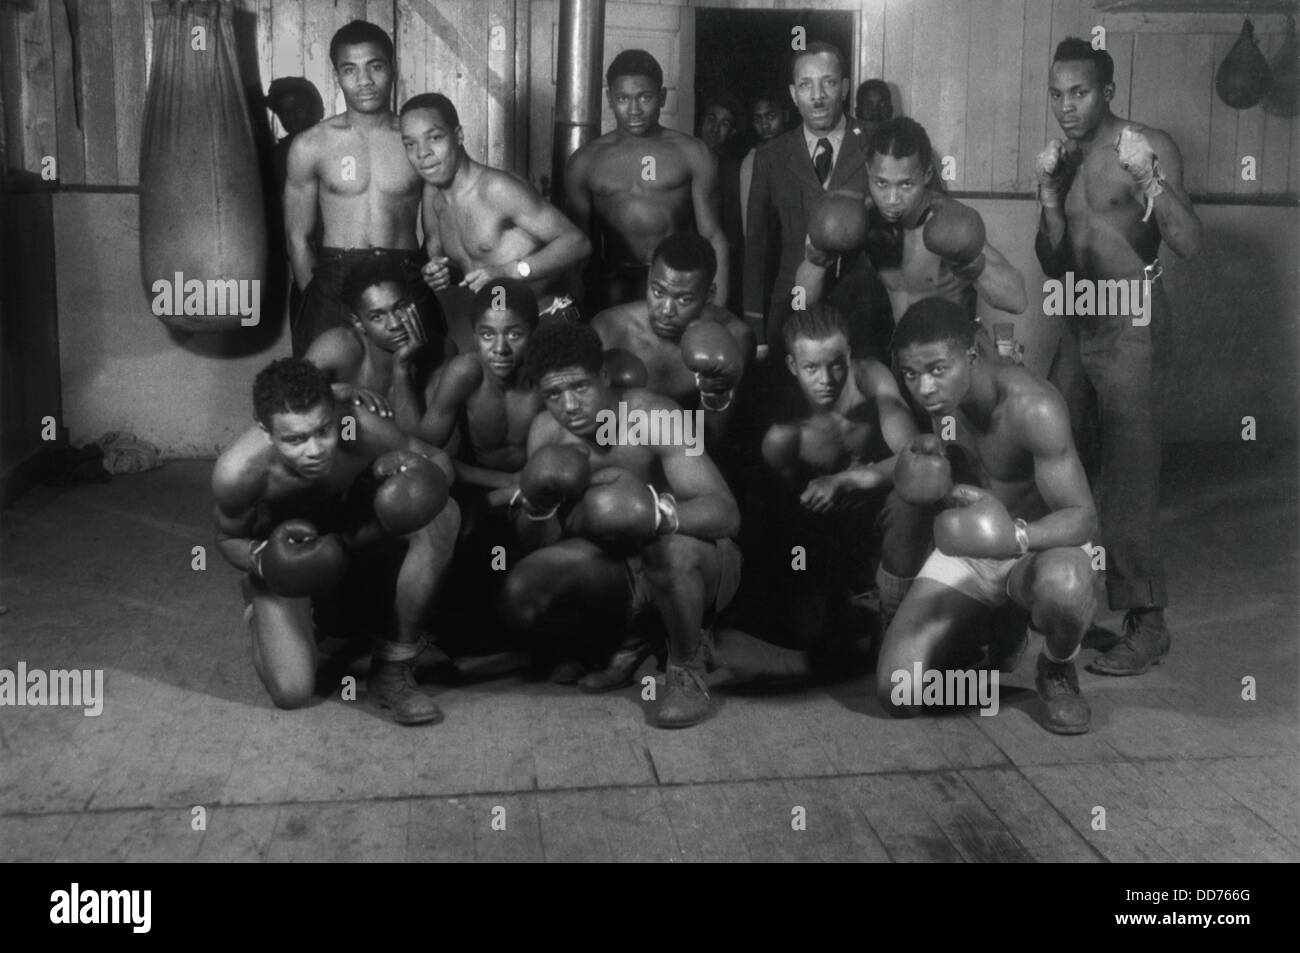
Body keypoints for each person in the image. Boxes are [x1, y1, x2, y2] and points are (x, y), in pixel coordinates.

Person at [1035, 39, 1201, 676]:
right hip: (1080, 320)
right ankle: (1057, 598)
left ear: (1107, 90)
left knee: (1129, 474)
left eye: (1078, 93)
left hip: (1133, 321)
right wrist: (1049, 197)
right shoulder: (1065, 159)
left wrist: (1150, 180)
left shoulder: (1146, 143)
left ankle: (1147, 624)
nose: (1066, 106)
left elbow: (1189, 242)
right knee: (1053, 443)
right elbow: (1054, 261)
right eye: (1056, 94)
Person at [499, 322, 742, 727]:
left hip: (698, 560)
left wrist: (655, 513)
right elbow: (537, 545)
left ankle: (686, 671)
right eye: (554, 394)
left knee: (668, 549)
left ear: (604, 376)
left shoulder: (653, 416)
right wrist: (538, 507)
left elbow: (726, 514)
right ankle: (632, 639)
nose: (570, 406)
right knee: (524, 593)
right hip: (621, 572)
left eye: (579, 387)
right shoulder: (546, 433)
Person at [878, 299, 1099, 734]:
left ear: (971, 357)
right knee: (898, 694)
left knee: (1066, 586)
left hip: (1039, 548)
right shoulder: (941, 402)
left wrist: (1015, 537)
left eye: (937, 369)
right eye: (910, 374)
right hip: (973, 553)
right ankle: (997, 632)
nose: (923, 388)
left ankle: (1057, 668)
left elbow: (1083, 518)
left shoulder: (1033, 407)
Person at [212, 358, 460, 725]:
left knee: (443, 513)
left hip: (353, 536)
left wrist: (416, 480)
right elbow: (226, 540)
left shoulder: (358, 427)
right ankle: (260, 606)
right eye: (295, 439)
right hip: (289, 567)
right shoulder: (239, 473)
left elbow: (435, 458)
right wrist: (263, 559)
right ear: (266, 431)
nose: (315, 450)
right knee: (293, 692)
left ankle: (393, 667)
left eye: (323, 430)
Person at [757, 304, 932, 653]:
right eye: (811, 368)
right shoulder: (783, 434)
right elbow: (782, 520)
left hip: (879, 511)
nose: (826, 379)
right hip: (821, 533)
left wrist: (846, 480)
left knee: (912, 496)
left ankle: (892, 614)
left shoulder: (871, 379)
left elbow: (917, 458)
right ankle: (848, 599)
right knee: (811, 636)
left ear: (849, 356)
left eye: (836, 364)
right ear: (793, 366)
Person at [794, 117, 1027, 360]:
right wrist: (816, 258)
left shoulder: (949, 222)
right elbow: (799, 302)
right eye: (881, 183)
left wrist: (973, 264)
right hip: (904, 357)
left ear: (927, 175)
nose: (892, 199)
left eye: (906, 185)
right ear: (867, 172)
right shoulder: (859, 218)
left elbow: (1018, 301)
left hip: (955, 357)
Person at [284, 20, 442, 356]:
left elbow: (435, 230)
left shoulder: (416, 140)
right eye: (350, 70)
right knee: (324, 391)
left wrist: (423, 276)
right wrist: (315, 294)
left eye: (375, 66)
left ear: (393, 69)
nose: (364, 81)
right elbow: (298, 235)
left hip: (402, 273)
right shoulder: (311, 144)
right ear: (337, 76)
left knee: (414, 382)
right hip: (334, 276)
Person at [400, 93, 591, 352]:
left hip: (545, 320)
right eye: (410, 144)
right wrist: (436, 273)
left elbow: (577, 243)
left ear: (458, 136)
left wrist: (509, 272)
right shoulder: (433, 195)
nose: (423, 153)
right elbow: (447, 255)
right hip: (494, 332)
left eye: (434, 138)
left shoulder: (497, 189)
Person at [565, 50, 729, 314]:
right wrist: (572, 303)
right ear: (609, 98)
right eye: (622, 99)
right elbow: (574, 246)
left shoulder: (693, 153)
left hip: (678, 284)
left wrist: (718, 309)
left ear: (662, 97)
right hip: (610, 286)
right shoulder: (585, 161)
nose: (634, 110)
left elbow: (713, 236)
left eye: (645, 97)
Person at [743, 41, 876, 355]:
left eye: (828, 83)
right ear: (793, 94)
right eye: (806, 85)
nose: (817, 97)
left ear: (844, 88)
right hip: (792, 306)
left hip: (862, 308)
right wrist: (756, 329)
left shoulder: (876, 142)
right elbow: (756, 245)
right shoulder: (771, 155)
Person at [591, 233, 753, 449]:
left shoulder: (734, 336)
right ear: (649, 277)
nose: (666, 310)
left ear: (709, 295)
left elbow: (712, 437)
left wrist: (715, 394)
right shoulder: (608, 327)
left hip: (689, 454)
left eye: (684, 299)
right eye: (658, 292)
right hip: (619, 451)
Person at [303, 257, 450, 433]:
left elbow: (415, 440)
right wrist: (333, 392)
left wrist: (401, 368)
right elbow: (281, 398)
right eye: (377, 316)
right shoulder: (338, 347)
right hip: (346, 449)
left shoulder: (441, 350)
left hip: (400, 453)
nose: (395, 324)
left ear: (412, 303)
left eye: (400, 307)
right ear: (358, 322)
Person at [738, 91, 791, 237]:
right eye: (757, 120)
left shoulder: (798, 152)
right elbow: (749, 224)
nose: (765, 125)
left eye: (771, 117)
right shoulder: (752, 161)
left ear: (785, 115)